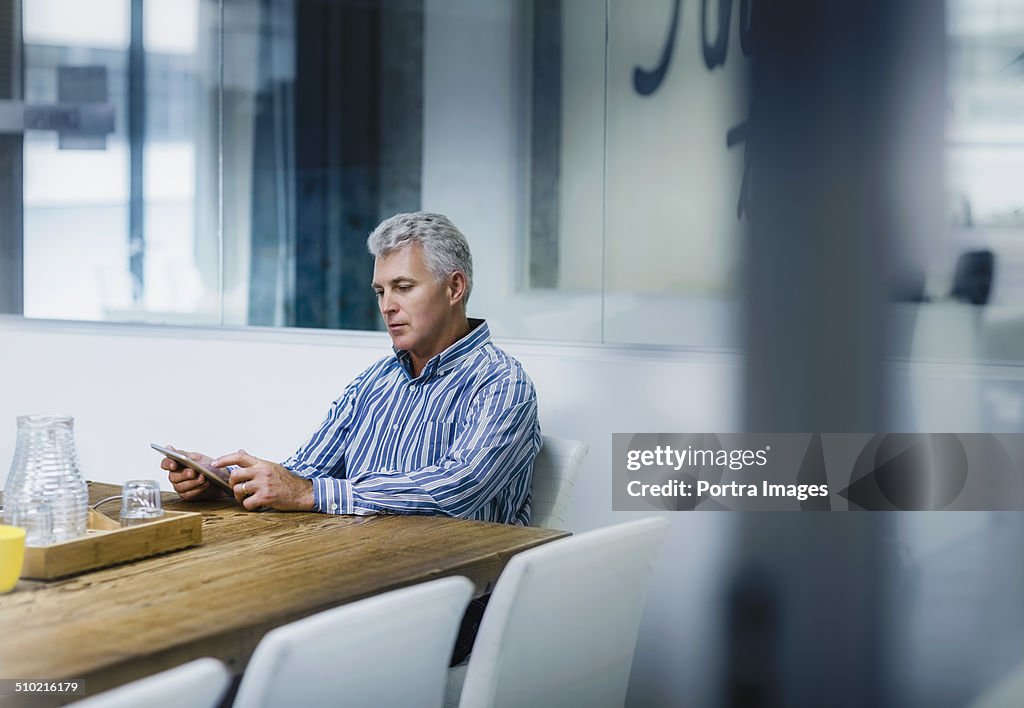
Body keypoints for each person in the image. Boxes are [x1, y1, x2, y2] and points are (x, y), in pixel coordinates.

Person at [163, 211, 542, 526]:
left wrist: (308, 493)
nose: (387, 305)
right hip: (365, 571)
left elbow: (456, 490)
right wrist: (227, 481)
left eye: (403, 287)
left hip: (457, 593)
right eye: (380, 291)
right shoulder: (376, 380)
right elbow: (305, 471)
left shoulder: (501, 384)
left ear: (455, 287)